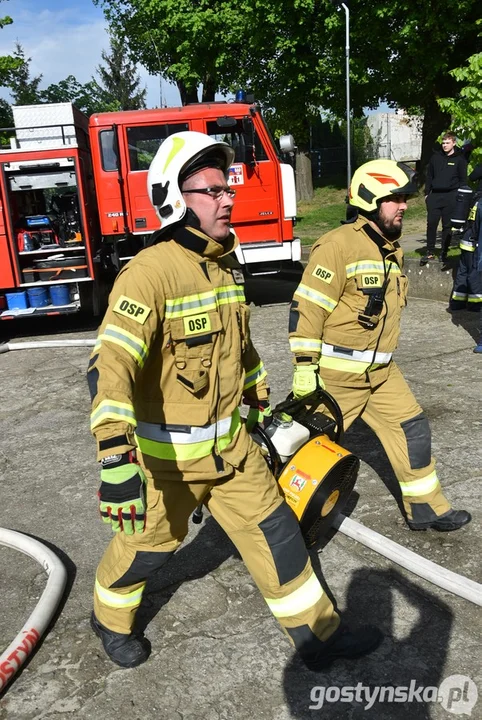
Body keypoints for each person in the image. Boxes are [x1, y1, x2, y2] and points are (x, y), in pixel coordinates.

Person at [87, 131, 382, 670]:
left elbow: (239, 349)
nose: (229, 199)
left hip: (236, 452)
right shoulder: (150, 273)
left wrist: (259, 402)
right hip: (170, 465)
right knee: (148, 548)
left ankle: (318, 636)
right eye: (214, 189)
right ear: (175, 197)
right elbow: (109, 367)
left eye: (229, 189)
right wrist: (114, 459)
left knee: (279, 536)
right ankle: (109, 617)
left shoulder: (225, 263)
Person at [288, 159, 471, 532]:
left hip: (383, 374)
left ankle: (426, 508)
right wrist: (305, 366)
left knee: (413, 428)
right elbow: (308, 307)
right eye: (394, 199)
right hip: (338, 377)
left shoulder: (389, 248)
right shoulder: (338, 246)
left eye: (404, 197)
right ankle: (272, 521)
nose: (403, 205)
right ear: (370, 201)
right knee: (299, 448)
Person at [422, 131, 468, 266]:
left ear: (454, 143)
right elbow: (429, 176)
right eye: (443, 143)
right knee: (431, 224)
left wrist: (460, 196)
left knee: (447, 226)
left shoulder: (460, 159)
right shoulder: (435, 158)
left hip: (451, 196)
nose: (445, 145)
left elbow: (463, 180)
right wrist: (427, 193)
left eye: (448, 143)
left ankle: (444, 253)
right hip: (435, 196)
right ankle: (429, 251)